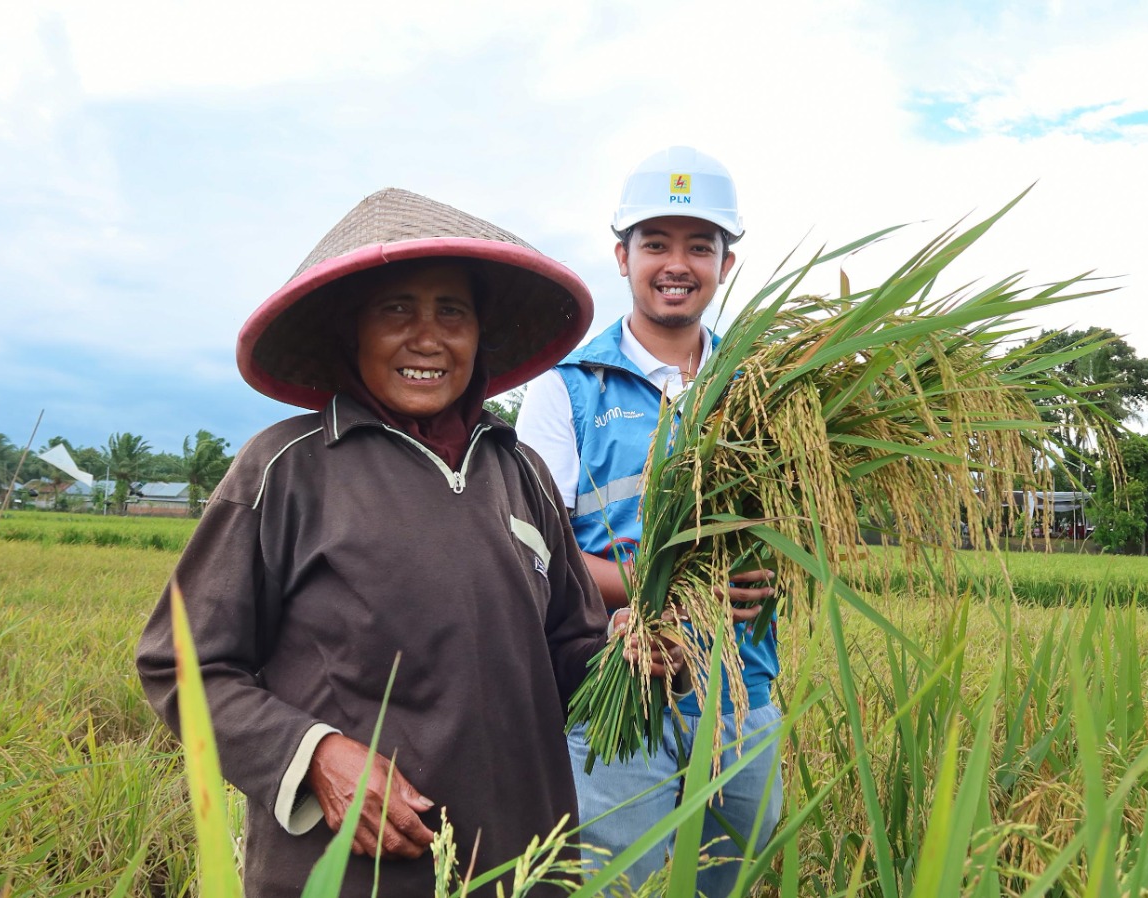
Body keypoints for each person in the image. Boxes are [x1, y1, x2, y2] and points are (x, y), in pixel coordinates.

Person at [137, 188, 668, 897]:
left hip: (526, 865)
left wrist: (625, 655)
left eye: (452, 311)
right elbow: (182, 663)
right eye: (396, 310)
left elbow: (568, 650)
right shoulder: (285, 469)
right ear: (350, 330)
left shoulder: (519, 471)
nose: (427, 337)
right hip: (353, 874)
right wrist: (315, 754)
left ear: (480, 333)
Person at [517, 147, 783, 897]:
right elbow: (535, 553)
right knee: (611, 886)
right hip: (619, 689)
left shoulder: (760, 385)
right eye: (656, 244)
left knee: (732, 883)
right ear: (621, 256)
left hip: (744, 694)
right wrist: (656, 584)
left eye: (700, 246)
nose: (678, 264)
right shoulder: (565, 388)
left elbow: (793, 520)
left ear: (726, 263)